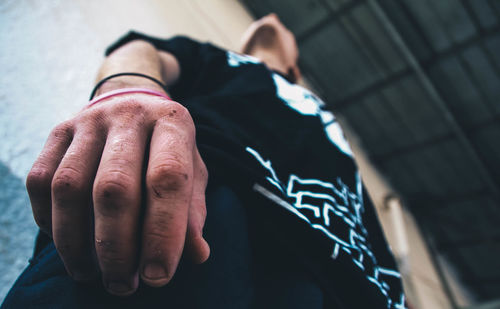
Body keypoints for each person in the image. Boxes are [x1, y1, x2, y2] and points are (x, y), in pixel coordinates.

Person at [1, 14, 406, 309]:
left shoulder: (326, 122)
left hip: (346, 286)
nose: (272, 19)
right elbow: (138, 51)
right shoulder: (225, 64)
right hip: (197, 220)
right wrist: (126, 93)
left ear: (296, 70)